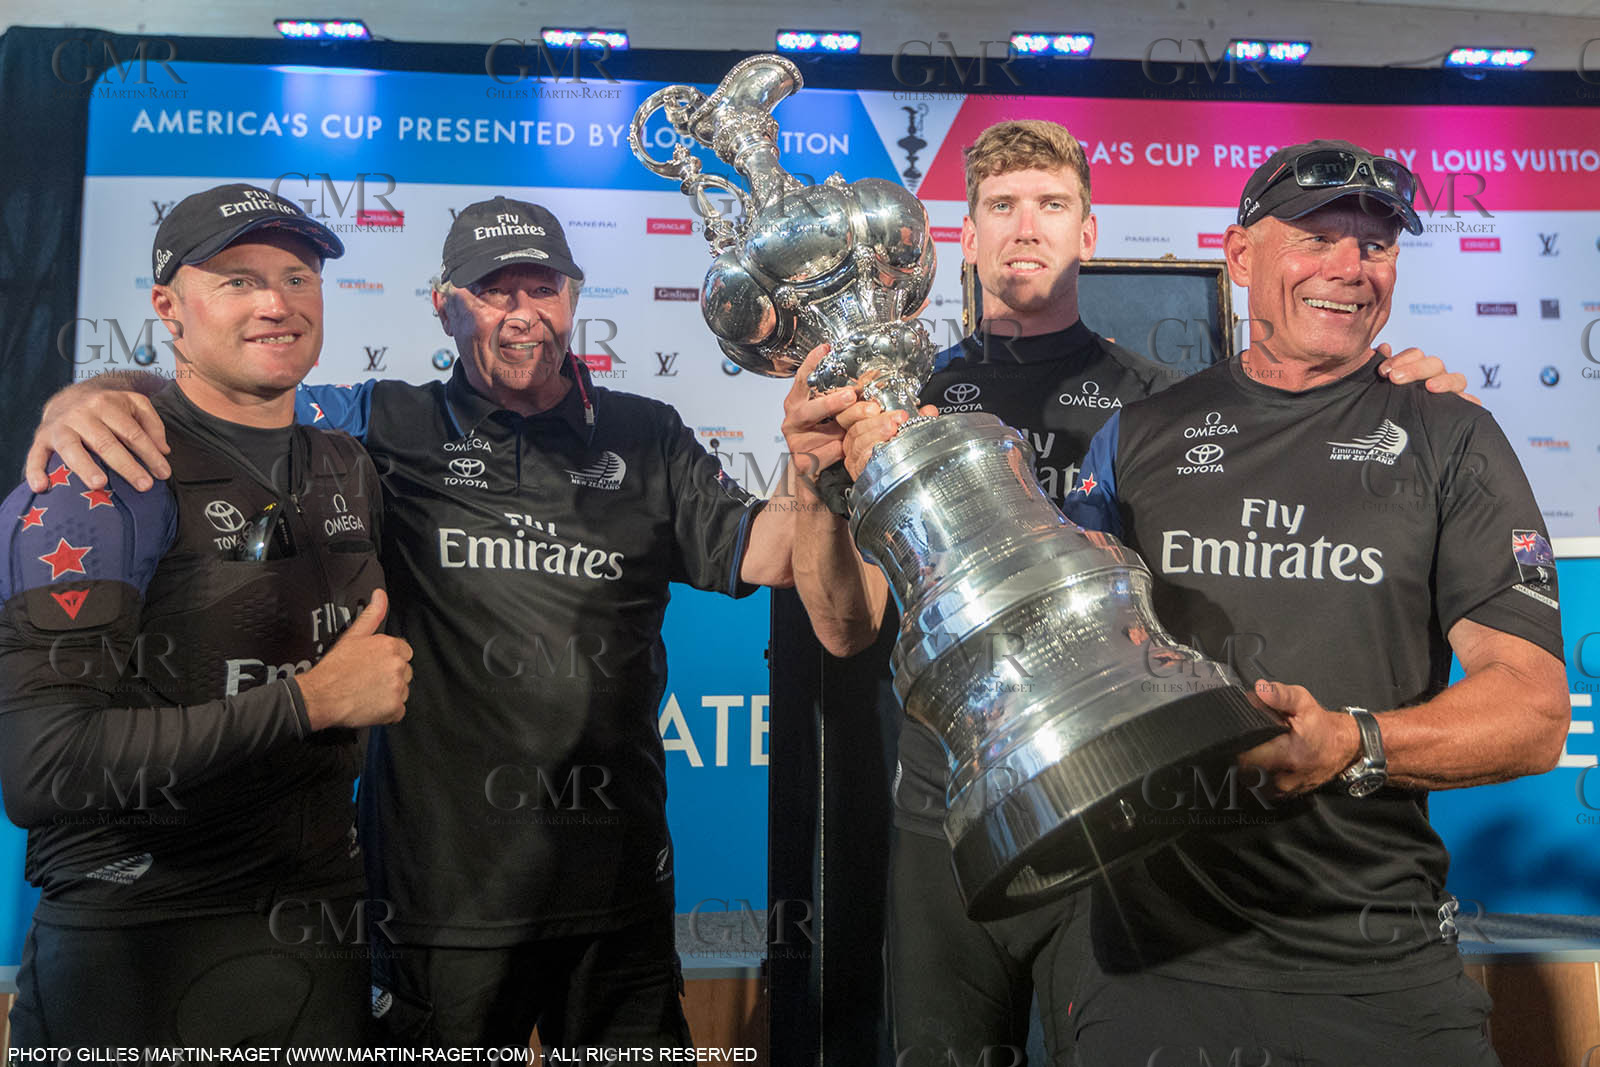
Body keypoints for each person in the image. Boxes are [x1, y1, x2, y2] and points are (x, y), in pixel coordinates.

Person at [25, 195, 847, 1049]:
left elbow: (770, 553)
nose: (524, 314)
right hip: (437, 903)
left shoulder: (647, 433)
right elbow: (226, 400)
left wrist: (810, 461)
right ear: (446, 305)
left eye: (544, 288)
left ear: (573, 297)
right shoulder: (379, 423)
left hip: (617, 899)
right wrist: (93, 398)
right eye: (495, 292)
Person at [792, 123, 1469, 1066]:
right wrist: (810, 482)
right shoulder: (896, 403)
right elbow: (844, 623)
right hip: (943, 791)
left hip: (1108, 787)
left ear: (1089, 232)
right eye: (1002, 207)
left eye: (1051, 205)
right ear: (967, 236)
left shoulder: (1162, 405)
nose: (1026, 227)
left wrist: (1387, 390)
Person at [1057, 140, 1567, 1065]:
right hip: (1154, 973)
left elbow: (1532, 711)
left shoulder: (1452, 434)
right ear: (1241, 255)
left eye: (1374, 244)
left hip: (1379, 967)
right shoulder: (1139, 435)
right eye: (1317, 236)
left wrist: (1352, 745)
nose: (1349, 267)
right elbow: (1060, 661)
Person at [0, 183, 411, 1045]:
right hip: (140, 943)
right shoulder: (97, 475)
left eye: (298, 277)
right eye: (236, 279)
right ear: (168, 308)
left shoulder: (346, 459)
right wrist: (314, 701)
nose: (276, 303)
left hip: (319, 931)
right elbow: (46, 767)